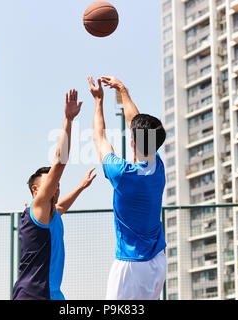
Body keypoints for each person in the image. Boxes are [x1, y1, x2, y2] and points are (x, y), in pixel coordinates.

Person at [88, 76, 167, 300]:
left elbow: (99, 137)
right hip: (158, 262)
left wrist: (98, 102)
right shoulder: (157, 166)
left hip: (132, 265)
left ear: (132, 142)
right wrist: (123, 91)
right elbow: (138, 125)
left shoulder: (123, 174)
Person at [13, 89, 96, 300]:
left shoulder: (50, 214)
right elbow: (60, 161)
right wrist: (68, 120)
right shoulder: (38, 207)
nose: (56, 187)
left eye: (57, 185)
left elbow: (61, 207)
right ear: (36, 191)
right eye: (51, 184)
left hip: (51, 294)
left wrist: (80, 187)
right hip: (34, 295)